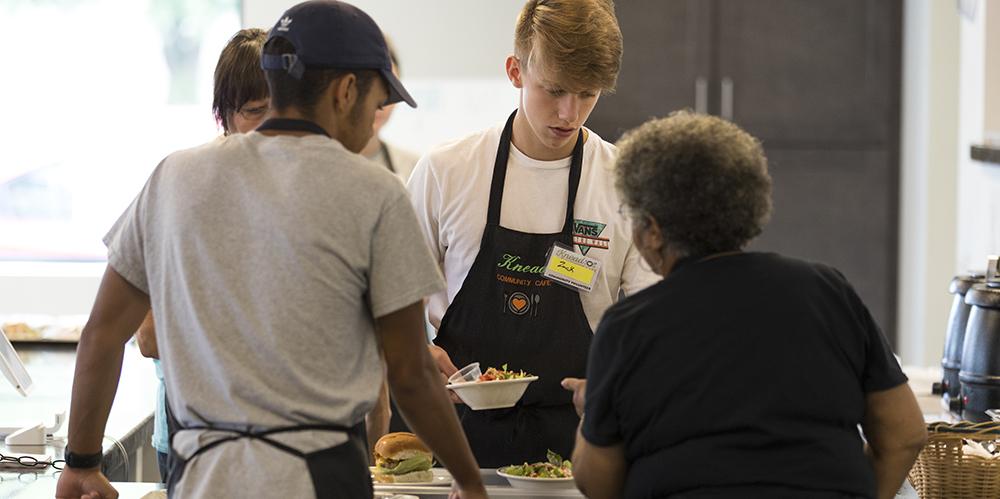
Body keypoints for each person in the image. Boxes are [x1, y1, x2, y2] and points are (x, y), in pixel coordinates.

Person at [54, 2, 486, 498]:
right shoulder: (374, 192)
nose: (374, 123)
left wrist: (82, 463)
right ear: (347, 92)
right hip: (318, 478)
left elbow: (103, 332)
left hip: (200, 476)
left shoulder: (174, 177)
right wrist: (470, 481)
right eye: (377, 102)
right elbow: (410, 373)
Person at [566, 111, 927, 499]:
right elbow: (905, 434)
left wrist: (595, 407)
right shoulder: (826, 291)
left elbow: (598, 483)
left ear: (653, 231)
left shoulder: (628, 326)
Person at [406, 0, 659, 467]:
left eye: (588, 94)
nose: (569, 112)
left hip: (577, 447)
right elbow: (382, 301)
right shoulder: (448, 171)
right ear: (515, 71)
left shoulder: (626, 181)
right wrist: (415, 351)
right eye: (555, 89)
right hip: (454, 440)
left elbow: (655, 321)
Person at [133, 26, 270, 483]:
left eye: (281, 110)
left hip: (285, 442)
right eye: (254, 112)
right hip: (192, 436)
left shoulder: (308, 192)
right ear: (223, 114)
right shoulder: (183, 185)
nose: (270, 128)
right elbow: (148, 337)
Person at [359, 37, 420, 182]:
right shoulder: (319, 166)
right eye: (370, 90)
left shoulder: (414, 167)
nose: (381, 104)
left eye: (390, 91)